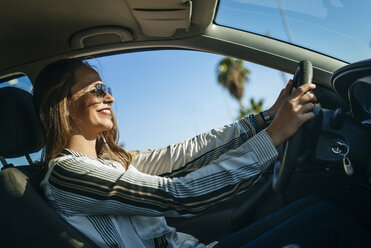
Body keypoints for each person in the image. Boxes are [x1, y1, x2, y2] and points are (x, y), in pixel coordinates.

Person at [33, 59, 368, 248]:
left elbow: (187, 153)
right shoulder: (67, 174)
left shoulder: (110, 163)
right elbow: (179, 197)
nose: (110, 98)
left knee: (316, 208)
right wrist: (275, 135)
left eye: (109, 89)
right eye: (99, 90)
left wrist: (265, 118)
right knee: (328, 224)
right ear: (62, 104)